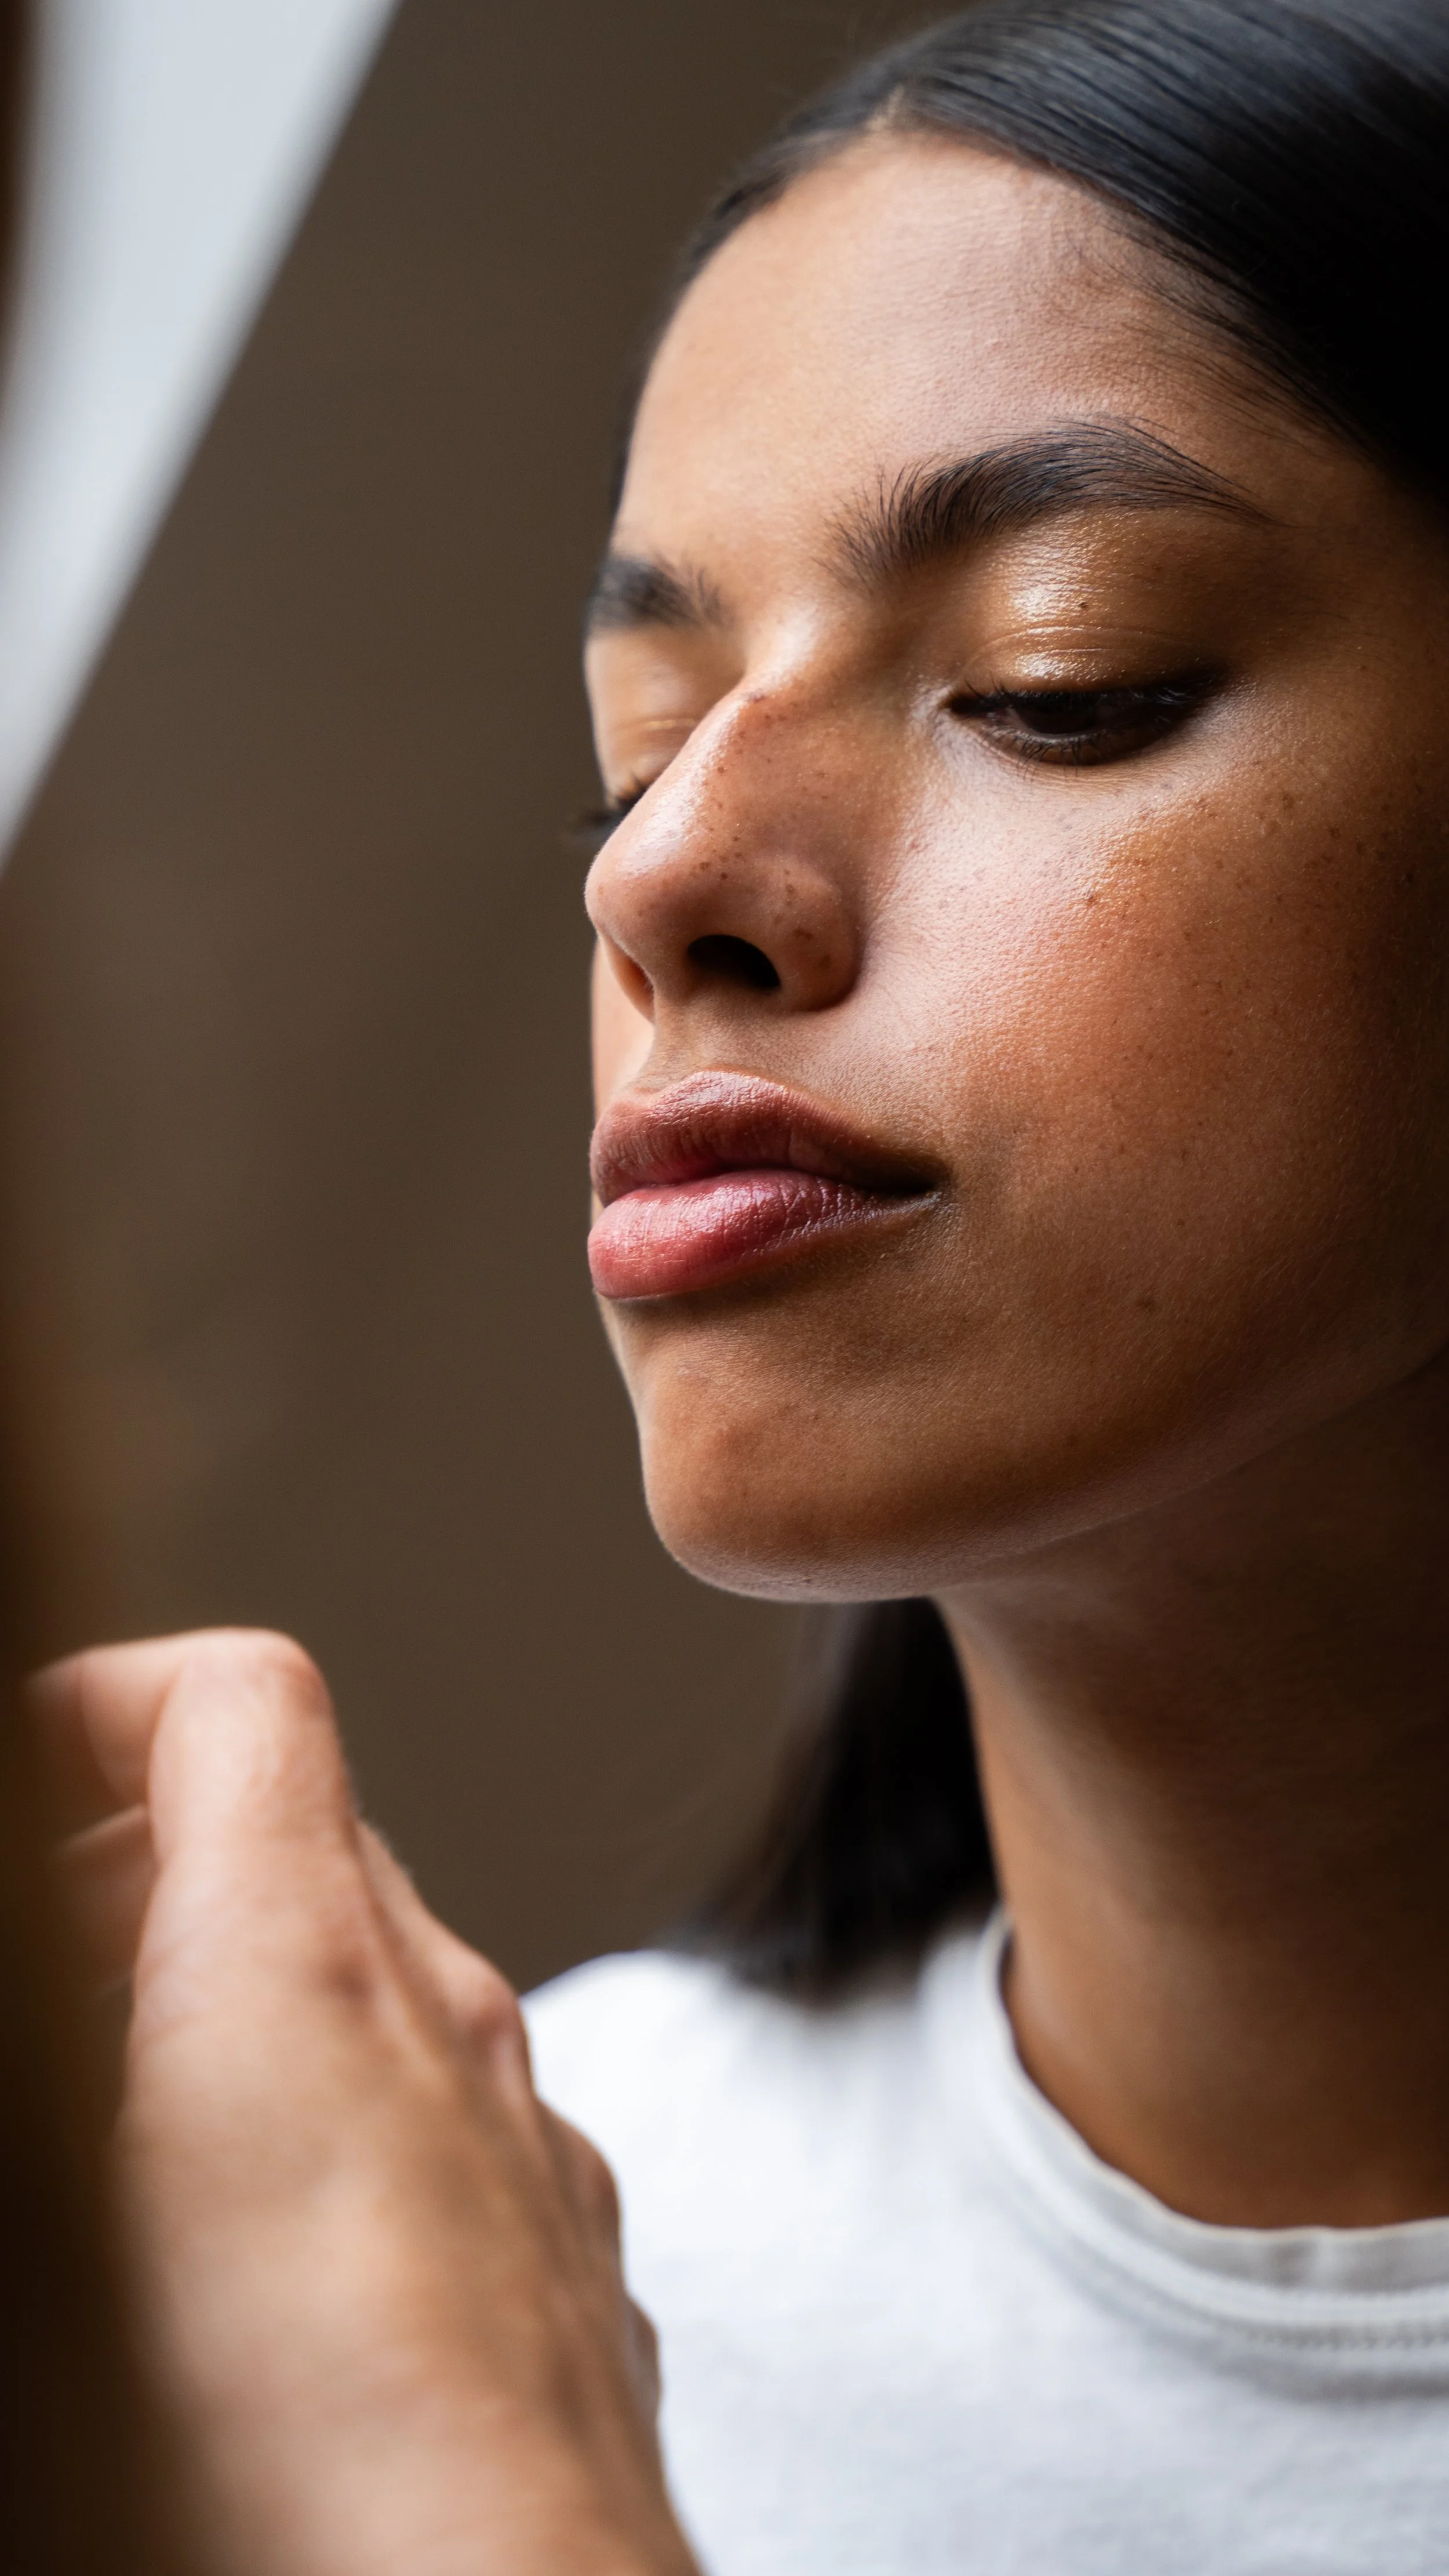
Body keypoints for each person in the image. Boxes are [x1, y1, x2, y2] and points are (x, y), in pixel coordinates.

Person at [38, 0, 1449, 2570]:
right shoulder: (457, 2250)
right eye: (636, 739)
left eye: (1057, 678)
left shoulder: (445, 2397)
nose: (655, 872)